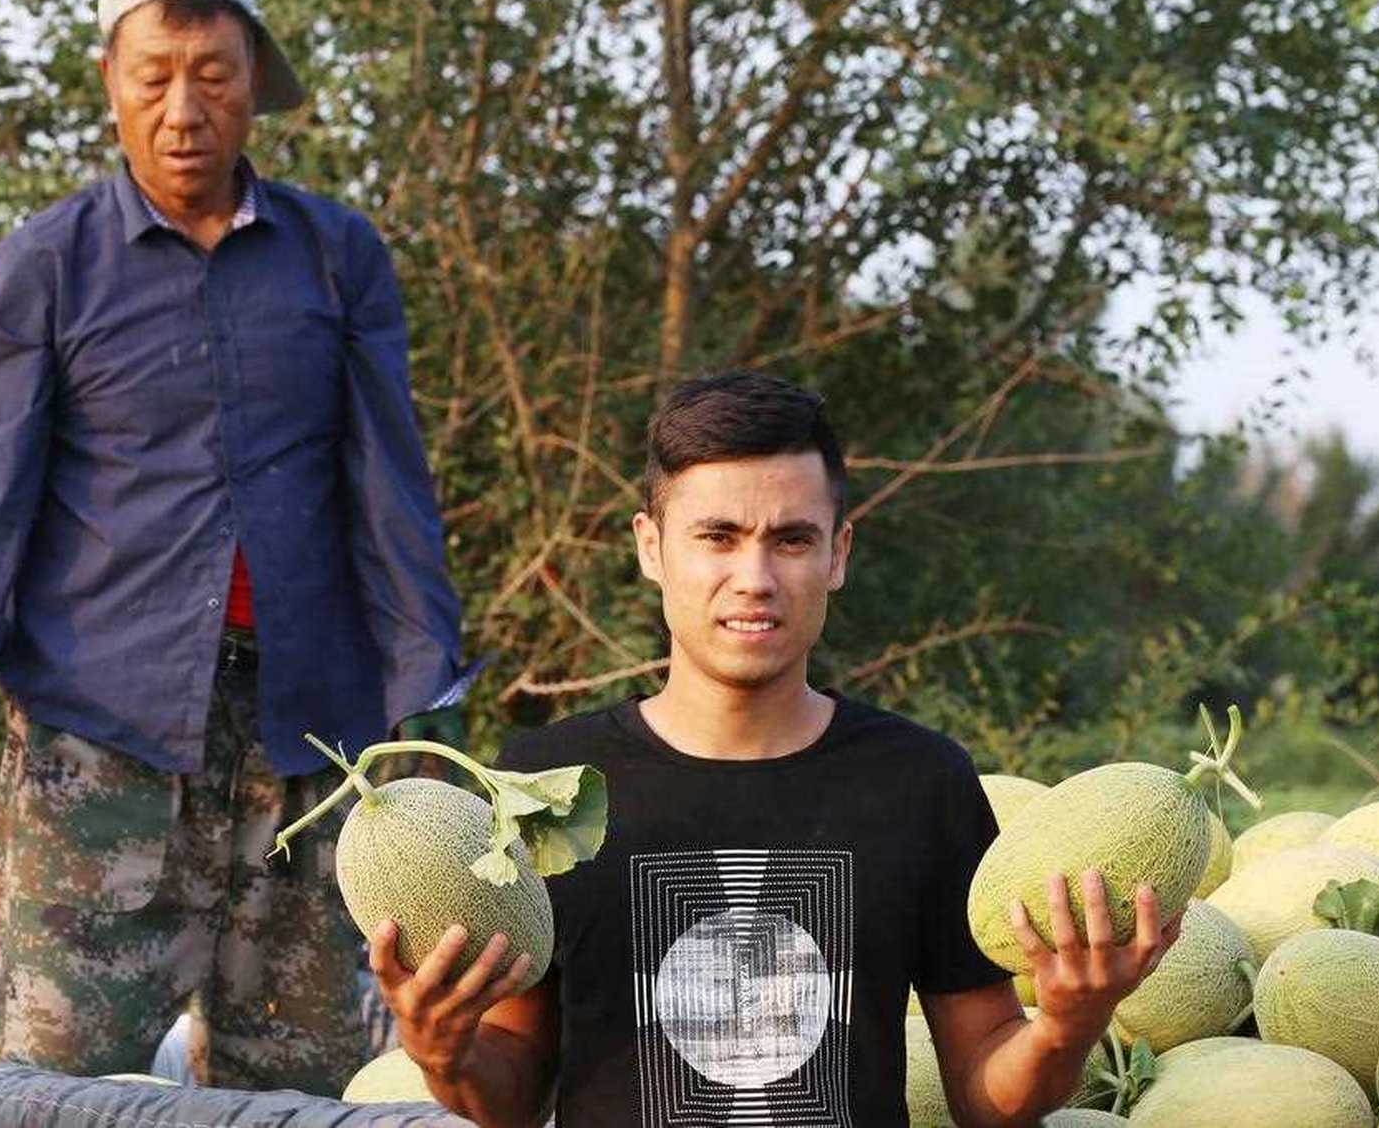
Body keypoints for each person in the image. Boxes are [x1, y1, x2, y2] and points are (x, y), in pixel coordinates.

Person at [0, 0, 464, 1092]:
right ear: (111, 81)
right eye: (152, 76)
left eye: (211, 75)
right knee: (44, 1092)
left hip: (310, 741)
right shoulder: (49, 262)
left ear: (255, 76)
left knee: (296, 1087)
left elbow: (387, 485)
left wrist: (428, 688)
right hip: (95, 740)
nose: (182, 108)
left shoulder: (336, 256)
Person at [370, 371, 1184, 1127]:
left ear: (838, 554)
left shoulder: (921, 780)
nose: (755, 576)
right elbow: (512, 1097)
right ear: (652, 548)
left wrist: (1069, 1027)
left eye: (792, 539)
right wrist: (446, 1054)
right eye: (717, 537)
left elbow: (981, 1094)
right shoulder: (546, 786)